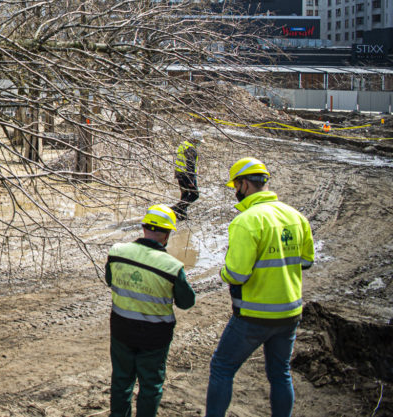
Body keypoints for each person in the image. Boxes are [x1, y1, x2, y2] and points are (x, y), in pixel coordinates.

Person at [204, 158, 315, 417]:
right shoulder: (296, 217)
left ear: (244, 185)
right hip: (289, 313)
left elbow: (236, 274)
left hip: (253, 316)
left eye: (236, 185)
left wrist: (222, 272)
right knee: (280, 374)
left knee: (222, 368)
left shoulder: (247, 221)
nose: (235, 190)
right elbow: (307, 261)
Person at [105, 204, 196, 417]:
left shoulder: (117, 252)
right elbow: (186, 302)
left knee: (121, 380)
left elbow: (110, 281)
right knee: (151, 385)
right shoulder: (172, 267)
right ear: (167, 235)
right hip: (155, 337)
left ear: (144, 227)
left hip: (121, 330)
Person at [172, 132, 203, 220]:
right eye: (198, 141)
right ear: (195, 140)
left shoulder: (183, 145)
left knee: (185, 194)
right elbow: (190, 166)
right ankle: (175, 209)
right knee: (194, 195)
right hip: (186, 175)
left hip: (179, 173)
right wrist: (191, 181)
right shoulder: (191, 149)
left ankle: (182, 215)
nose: (199, 143)